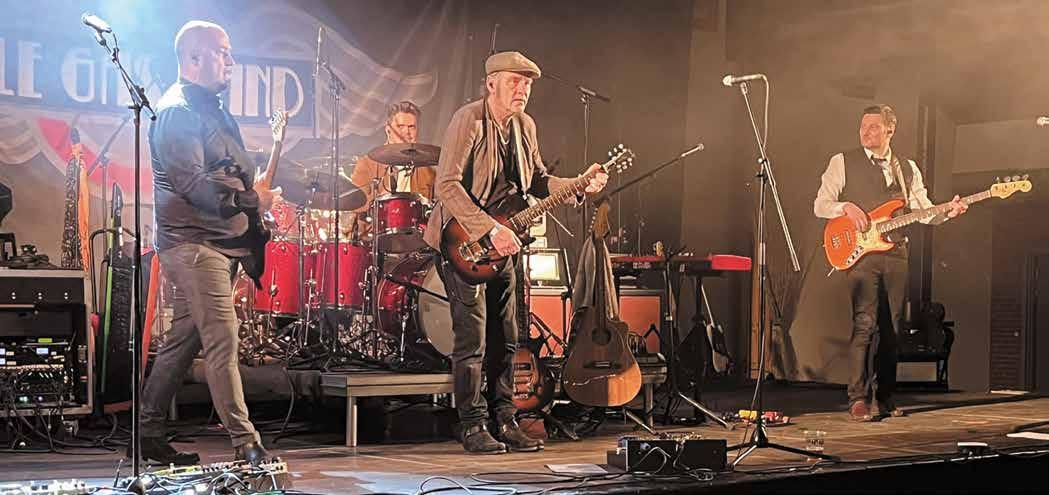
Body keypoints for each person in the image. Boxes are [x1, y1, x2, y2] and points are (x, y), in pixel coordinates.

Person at [423, 51, 608, 454]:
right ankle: (472, 424)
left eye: (527, 84)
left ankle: (505, 419)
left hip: (504, 243)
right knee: (472, 339)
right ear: (491, 84)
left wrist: (578, 183)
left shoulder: (525, 125)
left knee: (507, 338)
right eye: (514, 81)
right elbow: (447, 186)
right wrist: (489, 229)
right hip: (464, 241)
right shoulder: (468, 120)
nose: (522, 89)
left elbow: (538, 180)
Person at [140, 20, 280, 465]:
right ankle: (246, 444)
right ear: (194, 57)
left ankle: (147, 432)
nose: (231, 61)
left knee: (184, 339)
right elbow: (195, 186)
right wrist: (252, 200)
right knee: (223, 338)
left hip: (218, 243)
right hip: (195, 245)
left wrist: (257, 204)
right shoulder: (177, 111)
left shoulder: (212, 109)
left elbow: (230, 174)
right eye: (223, 52)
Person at [814, 104, 967, 422]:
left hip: (896, 252)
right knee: (865, 323)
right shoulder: (842, 161)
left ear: (890, 130)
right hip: (861, 254)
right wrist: (845, 207)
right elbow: (820, 205)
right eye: (862, 126)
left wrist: (947, 212)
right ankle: (858, 398)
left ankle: (884, 397)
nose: (865, 132)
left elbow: (923, 210)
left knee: (891, 328)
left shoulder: (907, 168)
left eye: (873, 126)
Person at [348, 101, 436, 234]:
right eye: (400, 126)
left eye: (412, 127)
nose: (406, 132)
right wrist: (381, 200)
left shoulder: (427, 171)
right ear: (388, 130)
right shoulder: (367, 164)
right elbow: (354, 203)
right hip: (376, 236)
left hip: (415, 237)